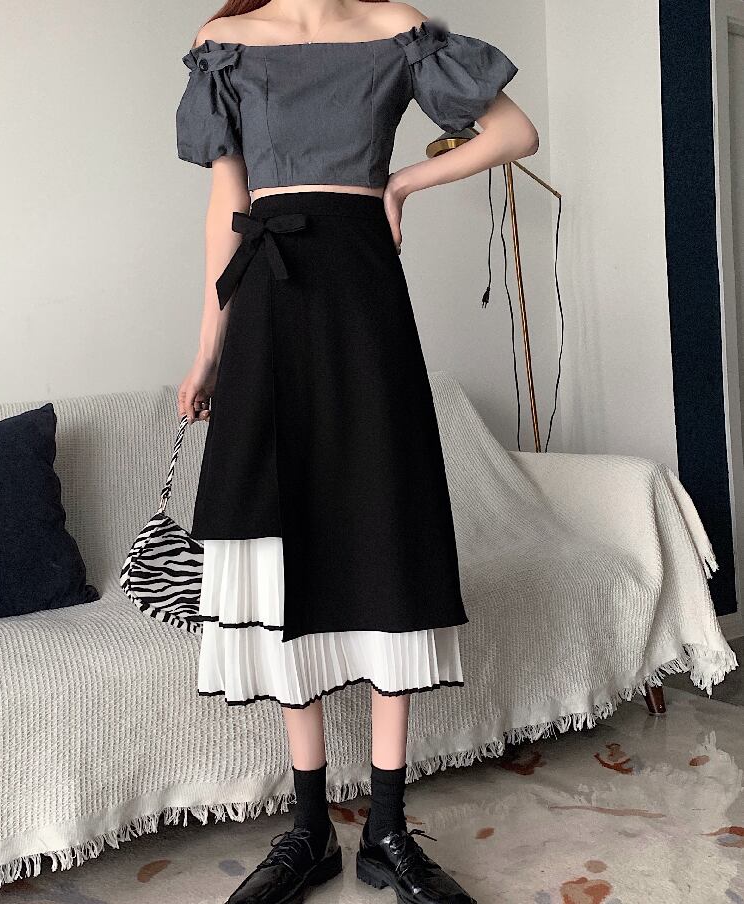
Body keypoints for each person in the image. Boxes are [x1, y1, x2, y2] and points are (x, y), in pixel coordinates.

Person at [175, 2, 538, 901]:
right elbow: (227, 204)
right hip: (266, 306)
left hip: (365, 302)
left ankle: (386, 830)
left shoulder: (396, 29)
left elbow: (514, 132)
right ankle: (308, 832)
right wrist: (208, 350)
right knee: (276, 541)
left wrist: (403, 183)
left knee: (383, 527)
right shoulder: (224, 45)